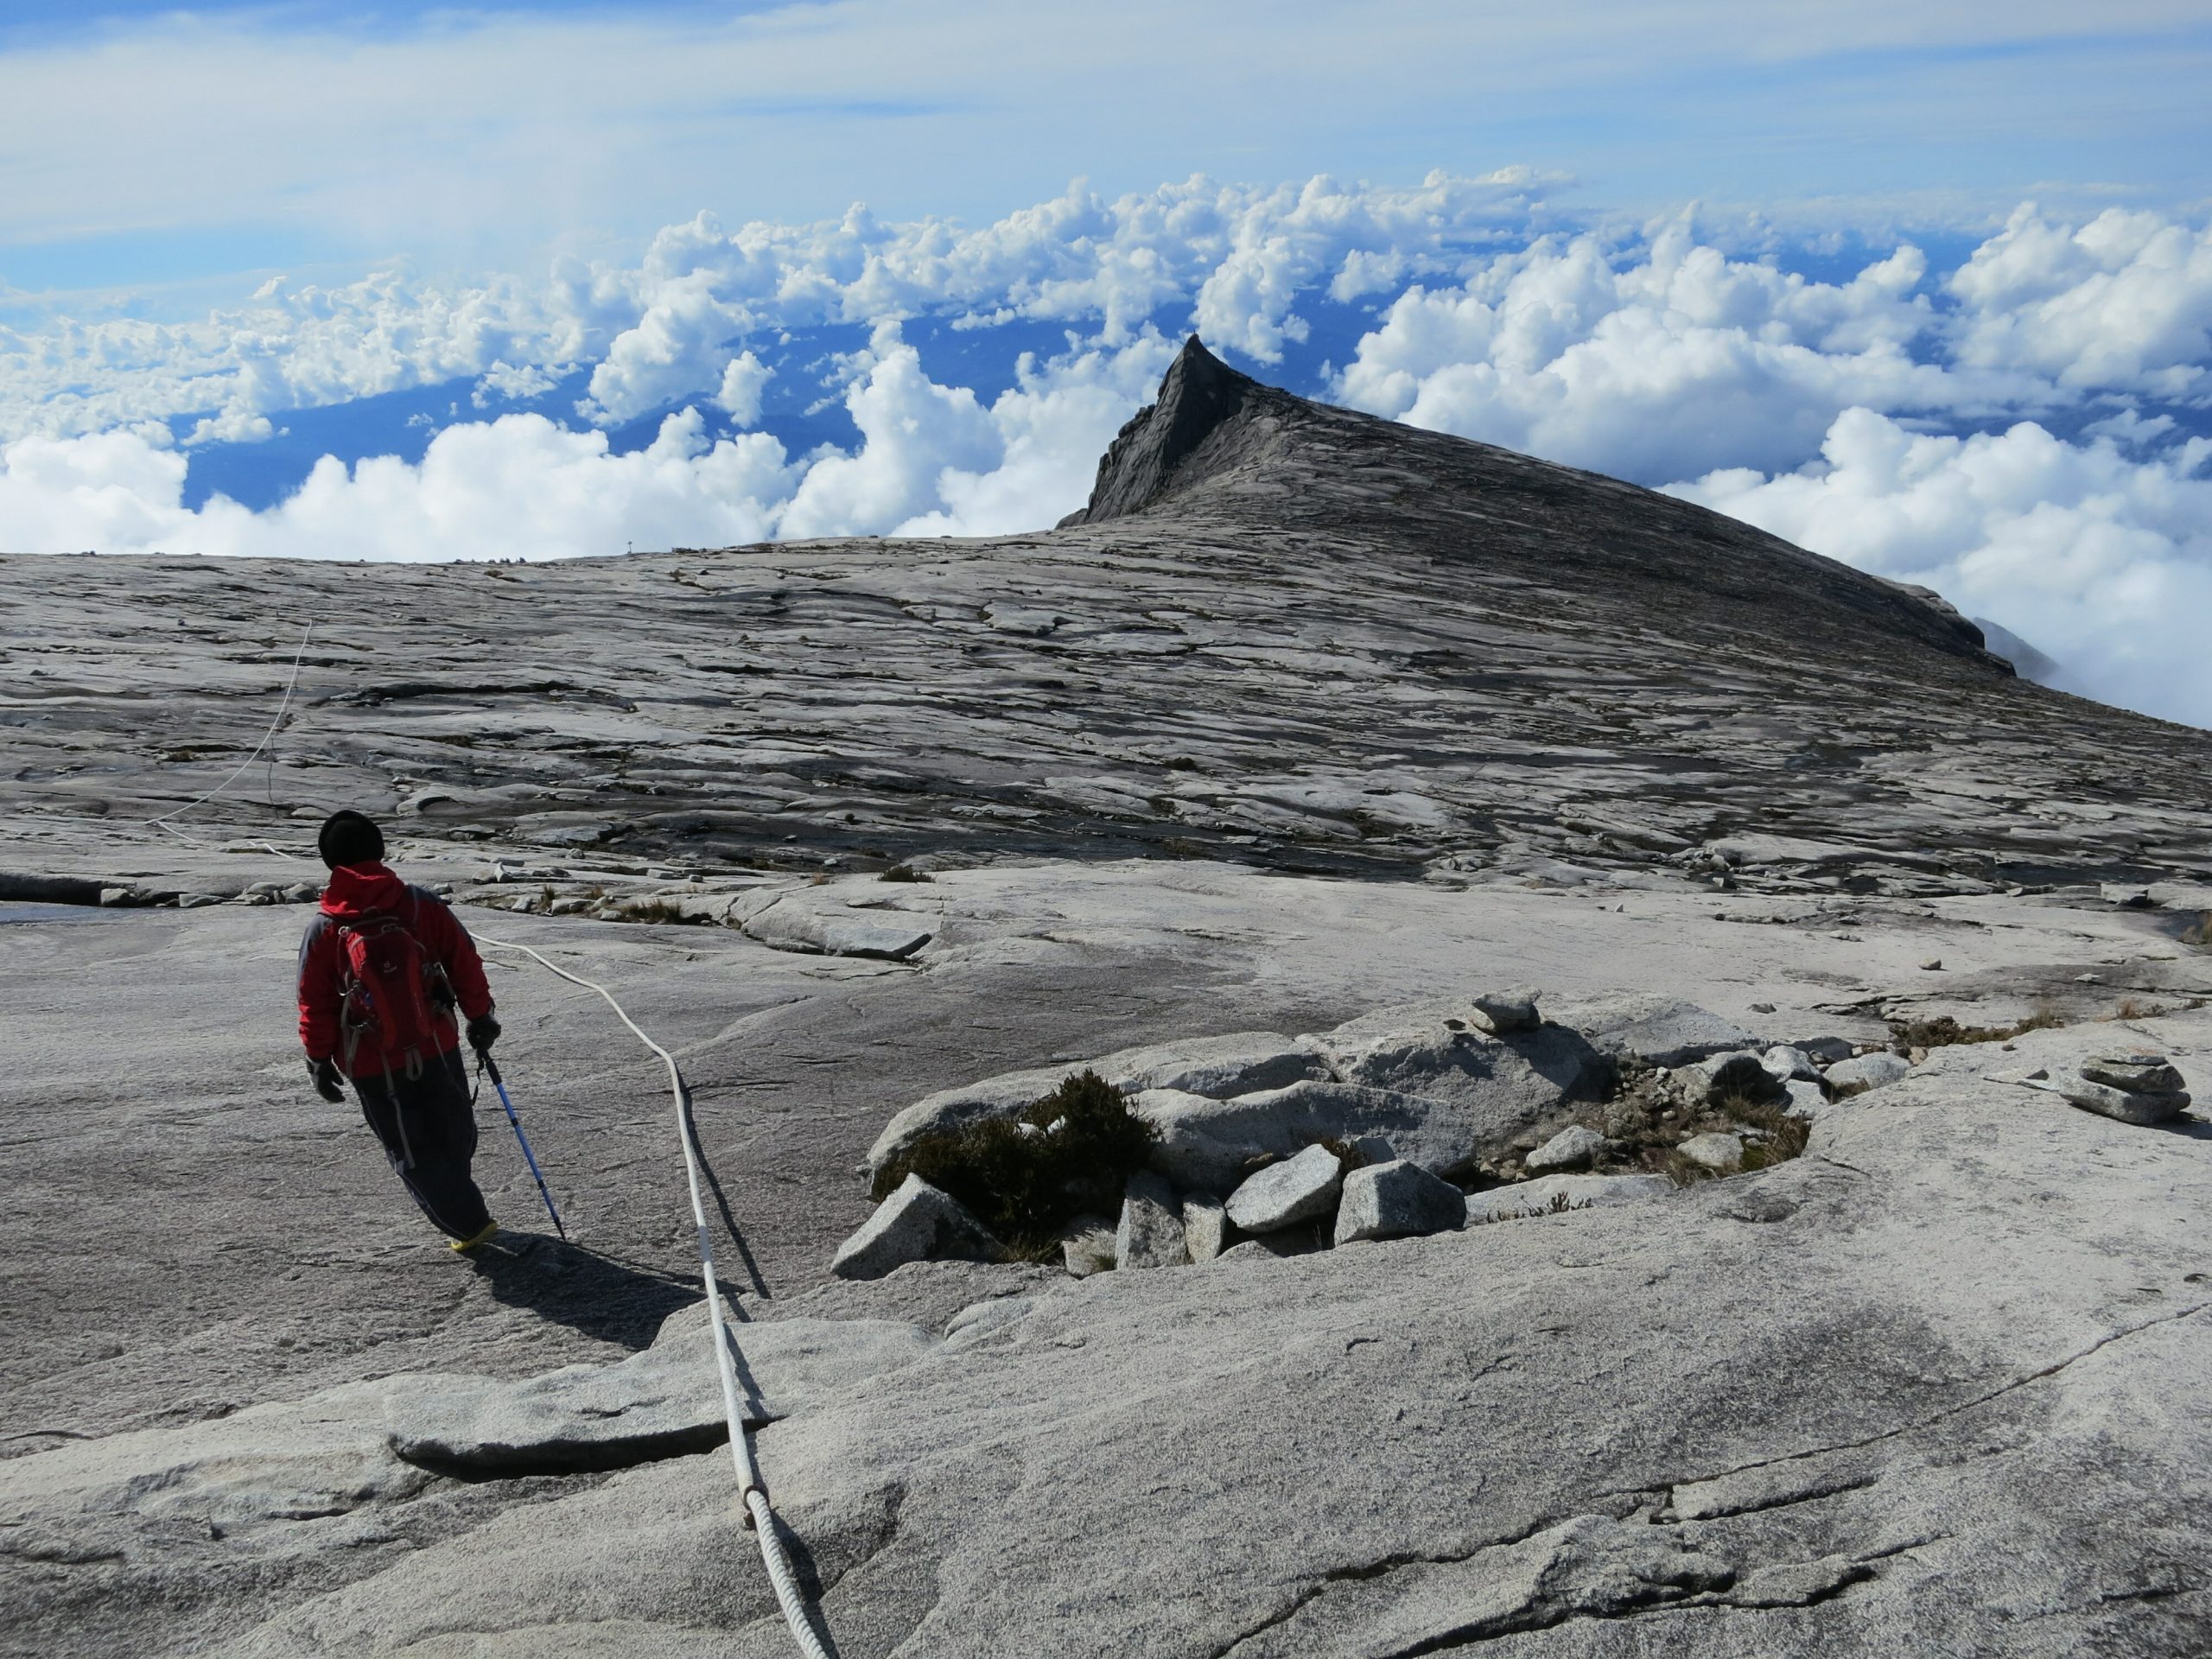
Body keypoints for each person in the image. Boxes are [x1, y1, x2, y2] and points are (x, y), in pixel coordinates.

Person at [297, 810, 504, 1251]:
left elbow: (314, 1000)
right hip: (436, 1043)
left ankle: (466, 1222)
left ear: (329, 863)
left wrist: (318, 1059)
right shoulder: (420, 904)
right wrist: (480, 1016)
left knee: (410, 1147)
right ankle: (465, 1211)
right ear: (381, 850)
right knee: (452, 1129)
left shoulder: (325, 927)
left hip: (371, 1061)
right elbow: (463, 961)